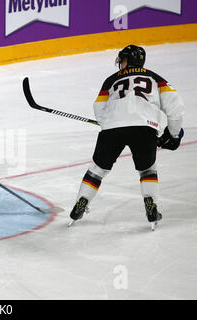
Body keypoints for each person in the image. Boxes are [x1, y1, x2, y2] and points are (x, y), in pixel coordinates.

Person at [69, 44, 185, 230]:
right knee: (147, 170)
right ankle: (151, 205)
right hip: (144, 129)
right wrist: (173, 134)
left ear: (127, 60)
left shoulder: (111, 80)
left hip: (112, 129)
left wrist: (108, 123)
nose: (120, 63)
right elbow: (175, 106)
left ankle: (81, 202)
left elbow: (99, 107)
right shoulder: (155, 78)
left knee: (97, 170)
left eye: (121, 59)